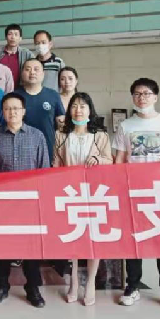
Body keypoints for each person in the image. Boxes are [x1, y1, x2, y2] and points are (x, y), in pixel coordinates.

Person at [113, 77, 160, 311]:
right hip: (134, 191)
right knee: (134, 239)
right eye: (137, 94)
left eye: (146, 94)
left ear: (155, 97)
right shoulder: (126, 126)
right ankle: (132, 287)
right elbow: (119, 159)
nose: (141, 98)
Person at [0, 92, 49, 308]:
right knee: (1, 245)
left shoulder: (37, 136)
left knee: (31, 246)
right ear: (2, 113)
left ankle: (33, 287)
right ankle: (1, 286)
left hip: (30, 201)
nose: (12, 112)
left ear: (23, 111)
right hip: (2, 202)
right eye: (7, 109)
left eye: (16, 108)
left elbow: (44, 169)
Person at [53, 92, 113, 306]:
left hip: (94, 194)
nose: (78, 110)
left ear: (90, 110)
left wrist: (98, 159)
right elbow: (56, 164)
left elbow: (110, 161)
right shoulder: (61, 135)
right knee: (74, 237)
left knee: (93, 239)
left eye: (83, 106)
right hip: (70, 193)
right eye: (74, 105)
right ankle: (74, 281)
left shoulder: (100, 135)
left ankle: (90, 282)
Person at [15, 59, 65, 163]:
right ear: (22, 73)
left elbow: (61, 123)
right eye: (28, 69)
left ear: (43, 74)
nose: (32, 72)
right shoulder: (14, 96)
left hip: (48, 147)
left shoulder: (53, 95)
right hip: (21, 148)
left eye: (36, 69)